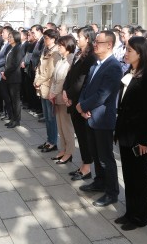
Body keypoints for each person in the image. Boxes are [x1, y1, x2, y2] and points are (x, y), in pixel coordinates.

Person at [114, 36, 147, 230]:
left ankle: (140, 217)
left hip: (137, 136)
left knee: (139, 176)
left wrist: (143, 140)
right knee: (128, 175)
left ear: (140, 53)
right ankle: (130, 212)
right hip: (124, 132)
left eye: (129, 50)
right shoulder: (130, 71)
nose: (126, 53)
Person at [77, 30, 123, 207]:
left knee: (105, 158)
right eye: (95, 41)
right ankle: (99, 181)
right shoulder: (95, 64)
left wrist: (83, 106)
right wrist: (81, 105)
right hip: (89, 115)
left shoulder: (113, 66)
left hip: (102, 118)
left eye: (98, 42)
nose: (95, 44)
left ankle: (112, 192)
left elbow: (102, 95)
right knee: (96, 154)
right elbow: (86, 88)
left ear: (109, 45)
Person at [63, 26, 97, 181]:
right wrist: (65, 91)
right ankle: (84, 165)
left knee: (84, 136)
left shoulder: (91, 57)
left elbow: (81, 81)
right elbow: (70, 75)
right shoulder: (78, 53)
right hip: (72, 98)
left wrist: (69, 94)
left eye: (80, 37)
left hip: (80, 101)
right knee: (80, 134)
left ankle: (86, 168)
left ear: (88, 38)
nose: (77, 39)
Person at [49, 35, 76, 164]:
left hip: (64, 98)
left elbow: (63, 80)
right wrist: (51, 92)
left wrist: (53, 93)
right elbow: (54, 78)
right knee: (60, 127)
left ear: (68, 46)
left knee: (67, 127)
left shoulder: (71, 60)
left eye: (61, 45)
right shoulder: (61, 59)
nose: (58, 47)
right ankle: (63, 149)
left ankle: (69, 152)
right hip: (56, 97)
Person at [34, 29, 61, 152]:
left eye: (46, 38)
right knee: (47, 116)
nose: (44, 40)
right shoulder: (46, 50)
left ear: (53, 39)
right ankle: (49, 140)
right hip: (42, 86)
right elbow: (39, 68)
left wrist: (39, 81)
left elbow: (50, 71)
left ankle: (53, 142)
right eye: (44, 38)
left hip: (49, 87)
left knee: (51, 118)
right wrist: (36, 80)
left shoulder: (56, 52)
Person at [1, 30, 23, 128]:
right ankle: (12, 118)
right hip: (7, 76)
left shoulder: (18, 48)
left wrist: (5, 73)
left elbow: (14, 64)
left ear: (16, 38)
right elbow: (6, 61)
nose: (9, 39)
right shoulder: (10, 47)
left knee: (15, 100)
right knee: (9, 99)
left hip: (14, 77)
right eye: (8, 37)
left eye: (11, 37)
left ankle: (16, 120)